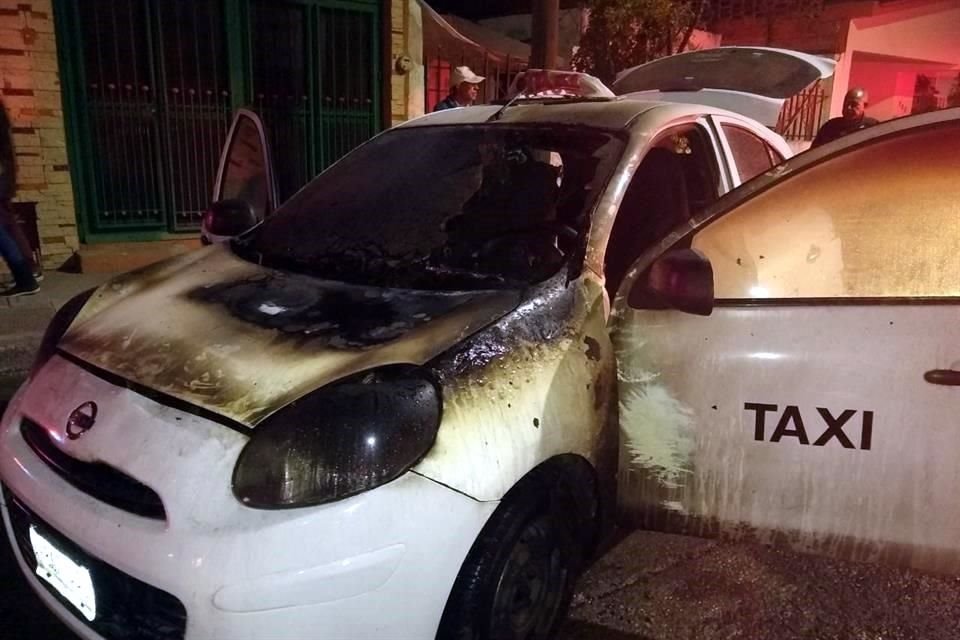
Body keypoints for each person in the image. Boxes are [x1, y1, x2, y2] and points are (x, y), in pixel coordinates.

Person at [0, 97, 39, 297]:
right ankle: (29, 270)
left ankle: (25, 276)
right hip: (4, 173)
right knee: (8, 225)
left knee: (2, 230)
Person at [811, 87, 879, 148]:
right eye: (846, 104)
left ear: (865, 105)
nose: (848, 108)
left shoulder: (872, 127)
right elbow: (814, 152)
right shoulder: (830, 127)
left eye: (853, 104)